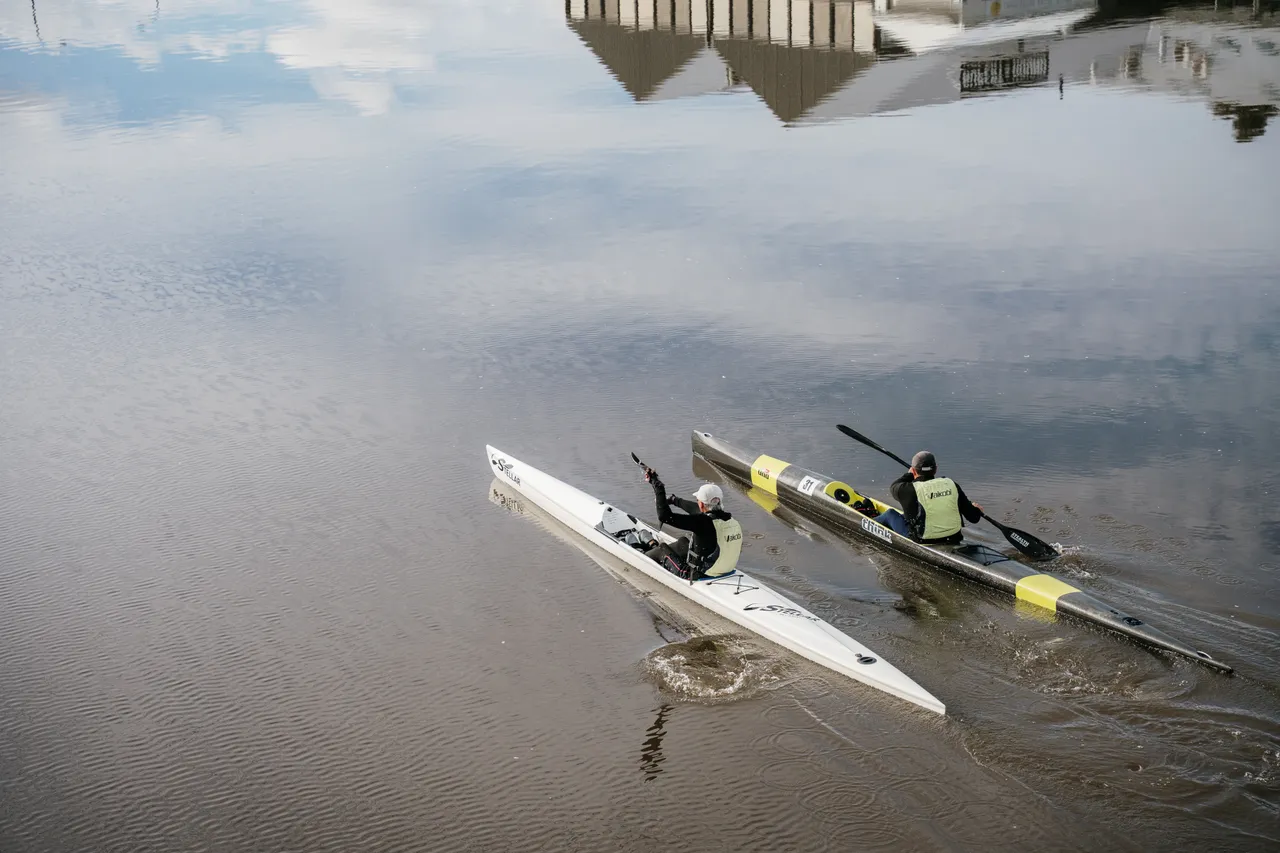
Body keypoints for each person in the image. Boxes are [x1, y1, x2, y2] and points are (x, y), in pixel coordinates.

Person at [639, 465, 743, 580]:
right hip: (727, 569)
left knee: (662, 549)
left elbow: (665, 517)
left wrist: (658, 487)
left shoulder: (702, 523)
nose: (697, 503)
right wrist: (674, 500)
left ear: (702, 504)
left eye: (698, 500)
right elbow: (696, 509)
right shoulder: (733, 521)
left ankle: (641, 556)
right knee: (684, 542)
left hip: (697, 575)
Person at [875, 451, 983, 544]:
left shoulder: (907, 489)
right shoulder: (951, 484)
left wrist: (909, 474)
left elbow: (895, 486)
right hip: (953, 537)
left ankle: (865, 521)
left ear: (913, 471)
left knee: (890, 514)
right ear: (936, 469)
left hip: (922, 540)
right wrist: (976, 509)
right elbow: (974, 518)